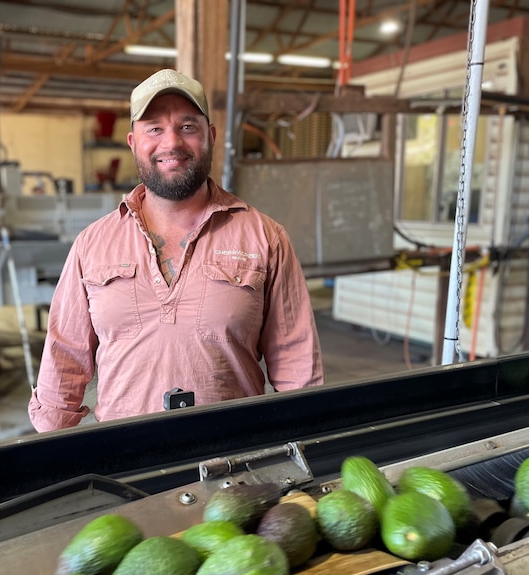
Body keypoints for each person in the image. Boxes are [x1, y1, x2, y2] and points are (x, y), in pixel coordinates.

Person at [28, 69, 323, 432]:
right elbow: (64, 361)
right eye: (154, 128)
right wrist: (49, 453)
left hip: (235, 457)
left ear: (210, 136)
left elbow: (298, 371)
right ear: (133, 142)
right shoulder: (93, 244)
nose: (171, 143)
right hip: (124, 460)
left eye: (187, 127)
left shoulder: (265, 238)